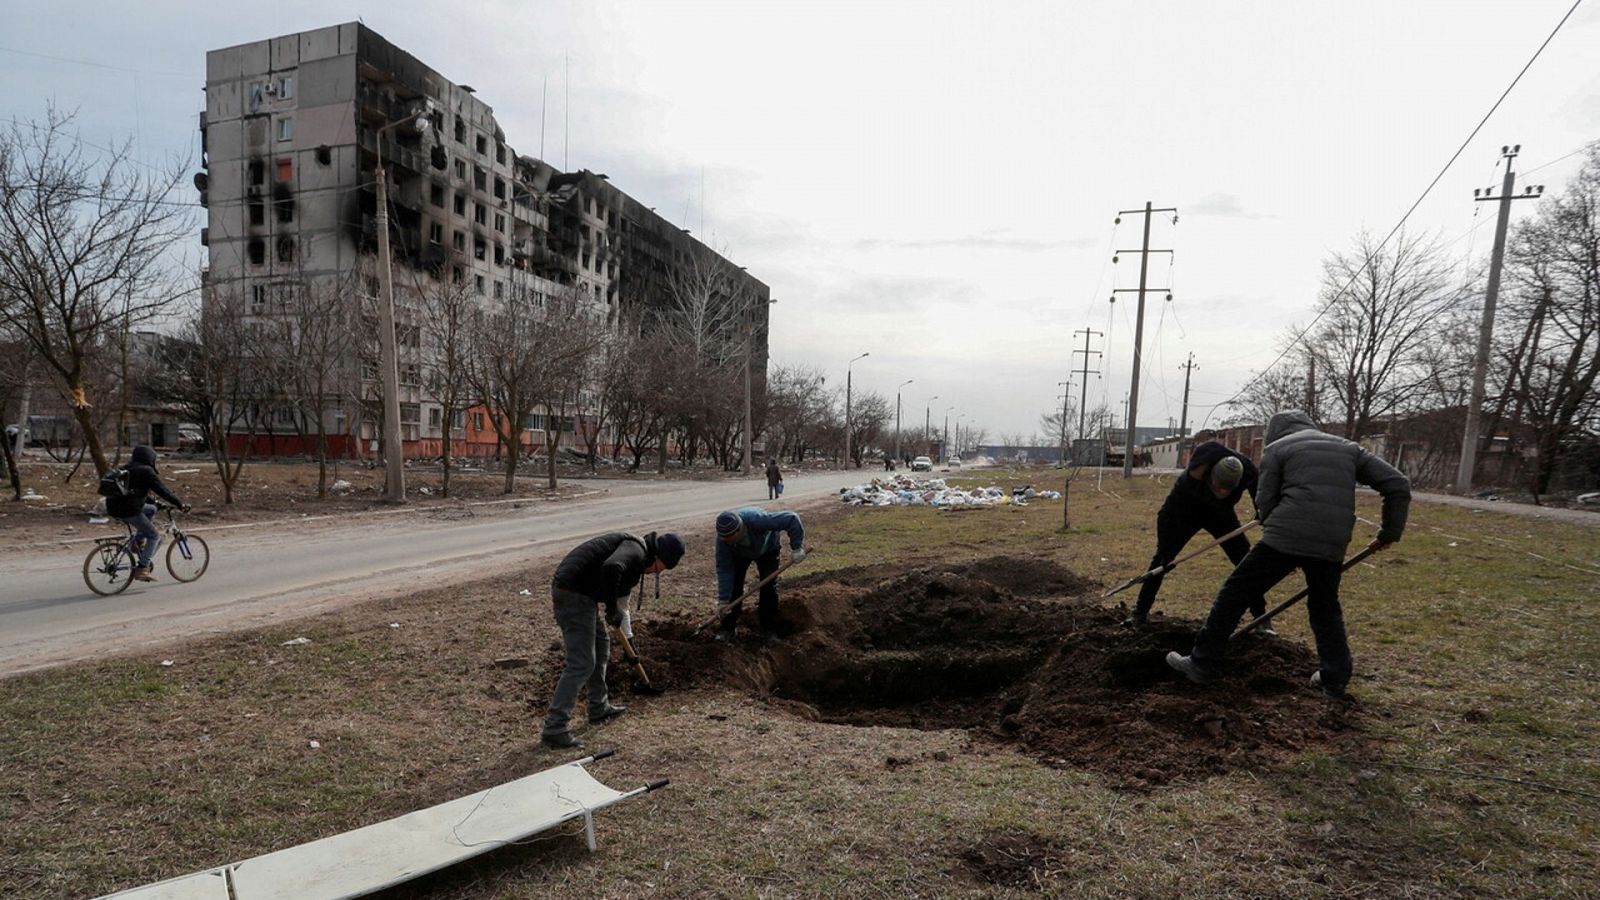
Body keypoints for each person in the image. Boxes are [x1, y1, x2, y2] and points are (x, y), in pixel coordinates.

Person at [1166, 411, 1410, 700]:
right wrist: (1389, 533)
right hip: (1332, 540)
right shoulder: (1348, 448)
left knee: (1236, 592)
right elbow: (1397, 484)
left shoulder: (1277, 449)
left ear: (1274, 432)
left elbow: (1265, 502)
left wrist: (1283, 546)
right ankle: (1333, 680)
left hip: (1286, 535)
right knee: (1325, 608)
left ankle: (1201, 663)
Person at [541, 530, 686, 750]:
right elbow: (611, 568)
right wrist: (609, 608)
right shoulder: (635, 551)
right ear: (658, 558)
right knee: (581, 663)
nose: (655, 573)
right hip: (572, 593)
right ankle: (555, 728)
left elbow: (622, 609)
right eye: (660, 569)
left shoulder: (633, 564)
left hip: (582, 595)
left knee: (601, 646)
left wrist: (631, 648)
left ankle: (598, 707)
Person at [1123, 442, 1271, 632]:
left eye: (1228, 490)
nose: (1222, 492)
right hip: (1182, 513)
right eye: (1218, 487)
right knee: (1162, 561)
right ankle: (1139, 613)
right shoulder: (1197, 468)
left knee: (1245, 560)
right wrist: (1167, 547)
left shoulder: (1248, 473)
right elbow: (1167, 515)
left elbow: (1260, 495)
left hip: (1220, 515)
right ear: (1208, 476)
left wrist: (1262, 512)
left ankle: (1262, 617)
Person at [714, 508, 805, 645]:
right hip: (740, 555)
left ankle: (769, 629)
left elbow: (791, 518)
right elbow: (725, 570)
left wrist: (797, 547)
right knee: (734, 587)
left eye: (728, 538)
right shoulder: (724, 541)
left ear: (738, 531)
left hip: (768, 549)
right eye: (723, 538)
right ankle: (728, 628)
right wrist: (723, 600)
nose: (725, 541)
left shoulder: (757, 520)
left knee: (769, 588)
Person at [107, 445, 188, 582]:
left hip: (114, 507)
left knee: (151, 509)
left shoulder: (127, 468)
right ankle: (142, 569)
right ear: (150, 458)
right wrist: (180, 504)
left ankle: (138, 541)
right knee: (154, 535)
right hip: (129, 509)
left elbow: (137, 492)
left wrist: (156, 503)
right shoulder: (146, 471)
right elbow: (162, 490)